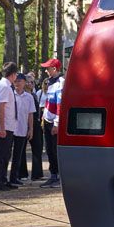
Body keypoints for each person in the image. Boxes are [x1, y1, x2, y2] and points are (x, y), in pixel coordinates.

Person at [0, 62, 20, 190]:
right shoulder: (4, 86)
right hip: (3, 126)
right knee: (0, 155)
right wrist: (2, 128)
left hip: (8, 125)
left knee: (6, 154)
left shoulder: (6, 86)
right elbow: (1, 107)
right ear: (12, 74)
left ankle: (3, 179)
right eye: (16, 74)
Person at [40, 58, 63, 187]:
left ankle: (59, 176)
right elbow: (48, 102)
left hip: (54, 122)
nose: (46, 70)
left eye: (48, 68)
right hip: (47, 120)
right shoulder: (49, 82)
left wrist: (56, 123)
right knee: (49, 149)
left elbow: (60, 105)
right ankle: (53, 174)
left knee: (55, 150)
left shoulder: (60, 82)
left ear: (54, 69)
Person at [9, 75, 37, 184]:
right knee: (7, 154)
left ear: (24, 82)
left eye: (19, 81)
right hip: (10, 128)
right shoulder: (10, 94)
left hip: (22, 129)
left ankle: (14, 177)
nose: (17, 83)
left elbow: (30, 114)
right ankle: (3, 177)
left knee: (18, 155)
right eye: (15, 81)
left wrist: (31, 129)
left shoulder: (29, 97)